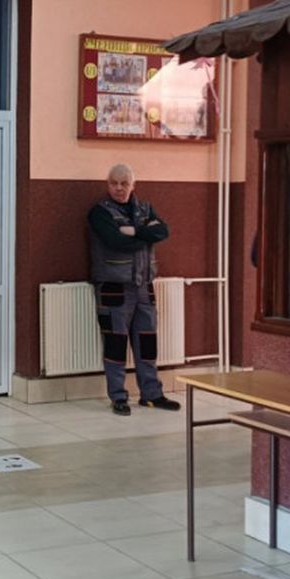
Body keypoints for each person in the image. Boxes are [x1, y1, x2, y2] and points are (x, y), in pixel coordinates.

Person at [88, 164, 180, 416]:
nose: (119, 188)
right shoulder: (100, 212)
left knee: (147, 343)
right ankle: (118, 397)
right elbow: (115, 241)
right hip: (113, 288)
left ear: (132, 185)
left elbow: (163, 231)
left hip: (144, 287)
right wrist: (146, 235)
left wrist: (135, 231)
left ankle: (152, 395)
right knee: (115, 345)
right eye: (114, 183)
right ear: (108, 184)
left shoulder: (145, 209)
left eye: (124, 183)